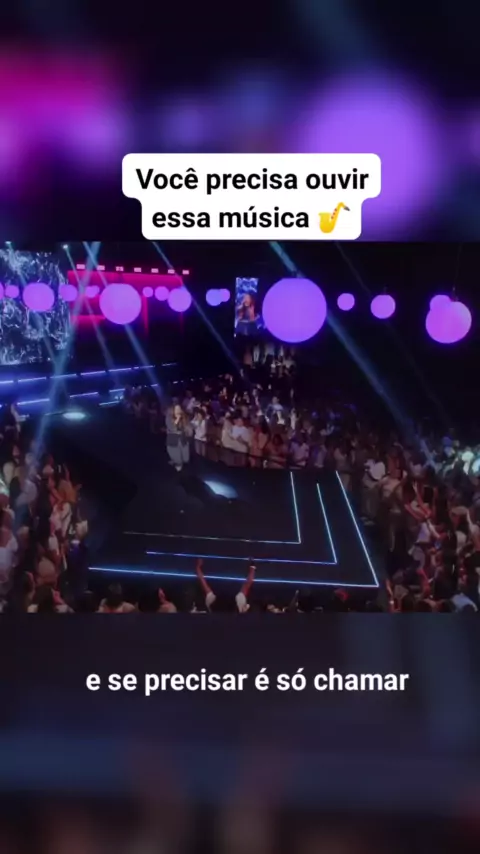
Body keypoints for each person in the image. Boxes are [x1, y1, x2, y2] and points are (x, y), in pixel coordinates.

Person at [165, 404, 192, 471]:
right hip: (173, 441)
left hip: (183, 440)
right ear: (173, 410)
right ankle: (177, 462)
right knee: (178, 461)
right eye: (176, 409)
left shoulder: (184, 417)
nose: (178, 410)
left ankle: (175, 460)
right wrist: (177, 419)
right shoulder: (169, 418)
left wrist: (189, 429)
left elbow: (187, 427)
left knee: (186, 459)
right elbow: (172, 428)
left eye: (179, 409)